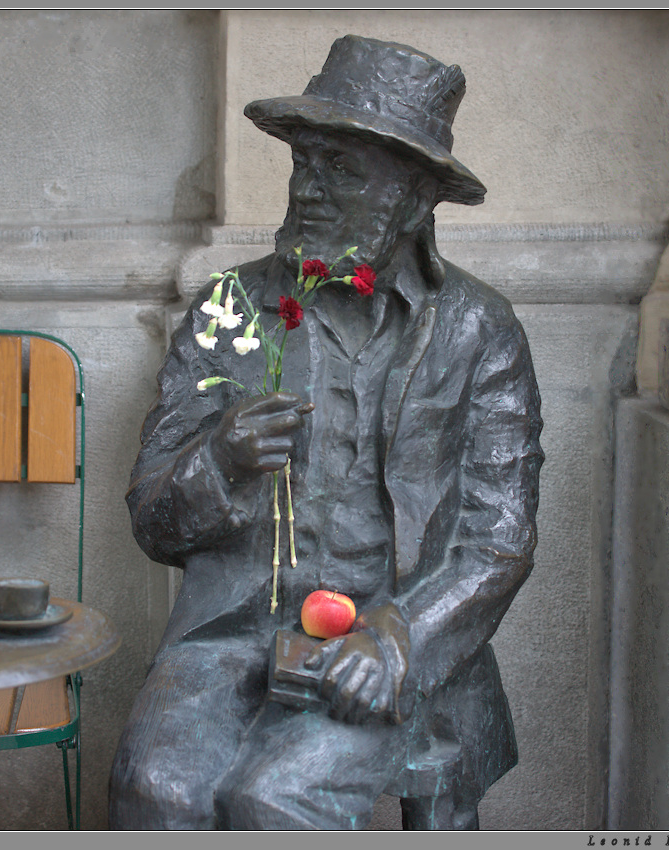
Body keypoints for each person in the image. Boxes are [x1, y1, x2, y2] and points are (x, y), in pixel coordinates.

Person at [109, 34, 543, 830]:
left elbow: (498, 540)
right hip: (231, 635)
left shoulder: (478, 330)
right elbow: (151, 519)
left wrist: (400, 639)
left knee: (277, 799)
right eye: (303, 164)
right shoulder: (229, 311)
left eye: (341, 170)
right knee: (155, 784)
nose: (308, 189)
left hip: (385, 639)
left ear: (413, 201)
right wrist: (220, 461)